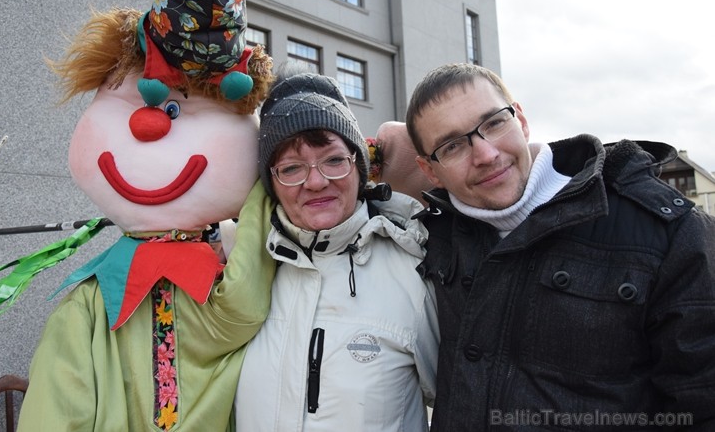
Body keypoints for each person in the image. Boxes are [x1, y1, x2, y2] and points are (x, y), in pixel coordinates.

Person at [400, 62, 715, 430]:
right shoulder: (434, 236)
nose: (486, 154)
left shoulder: (667, 231)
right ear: (430, 171)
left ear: (521, 119)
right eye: (452, 146)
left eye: (495, 123)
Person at [234, 71, 439, 431]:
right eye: (291, 168)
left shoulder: (416, 272)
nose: (315, 182)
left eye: (333, 160)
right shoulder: (241, 272)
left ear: (359, 166)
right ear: (271, 183)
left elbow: (466, 402)